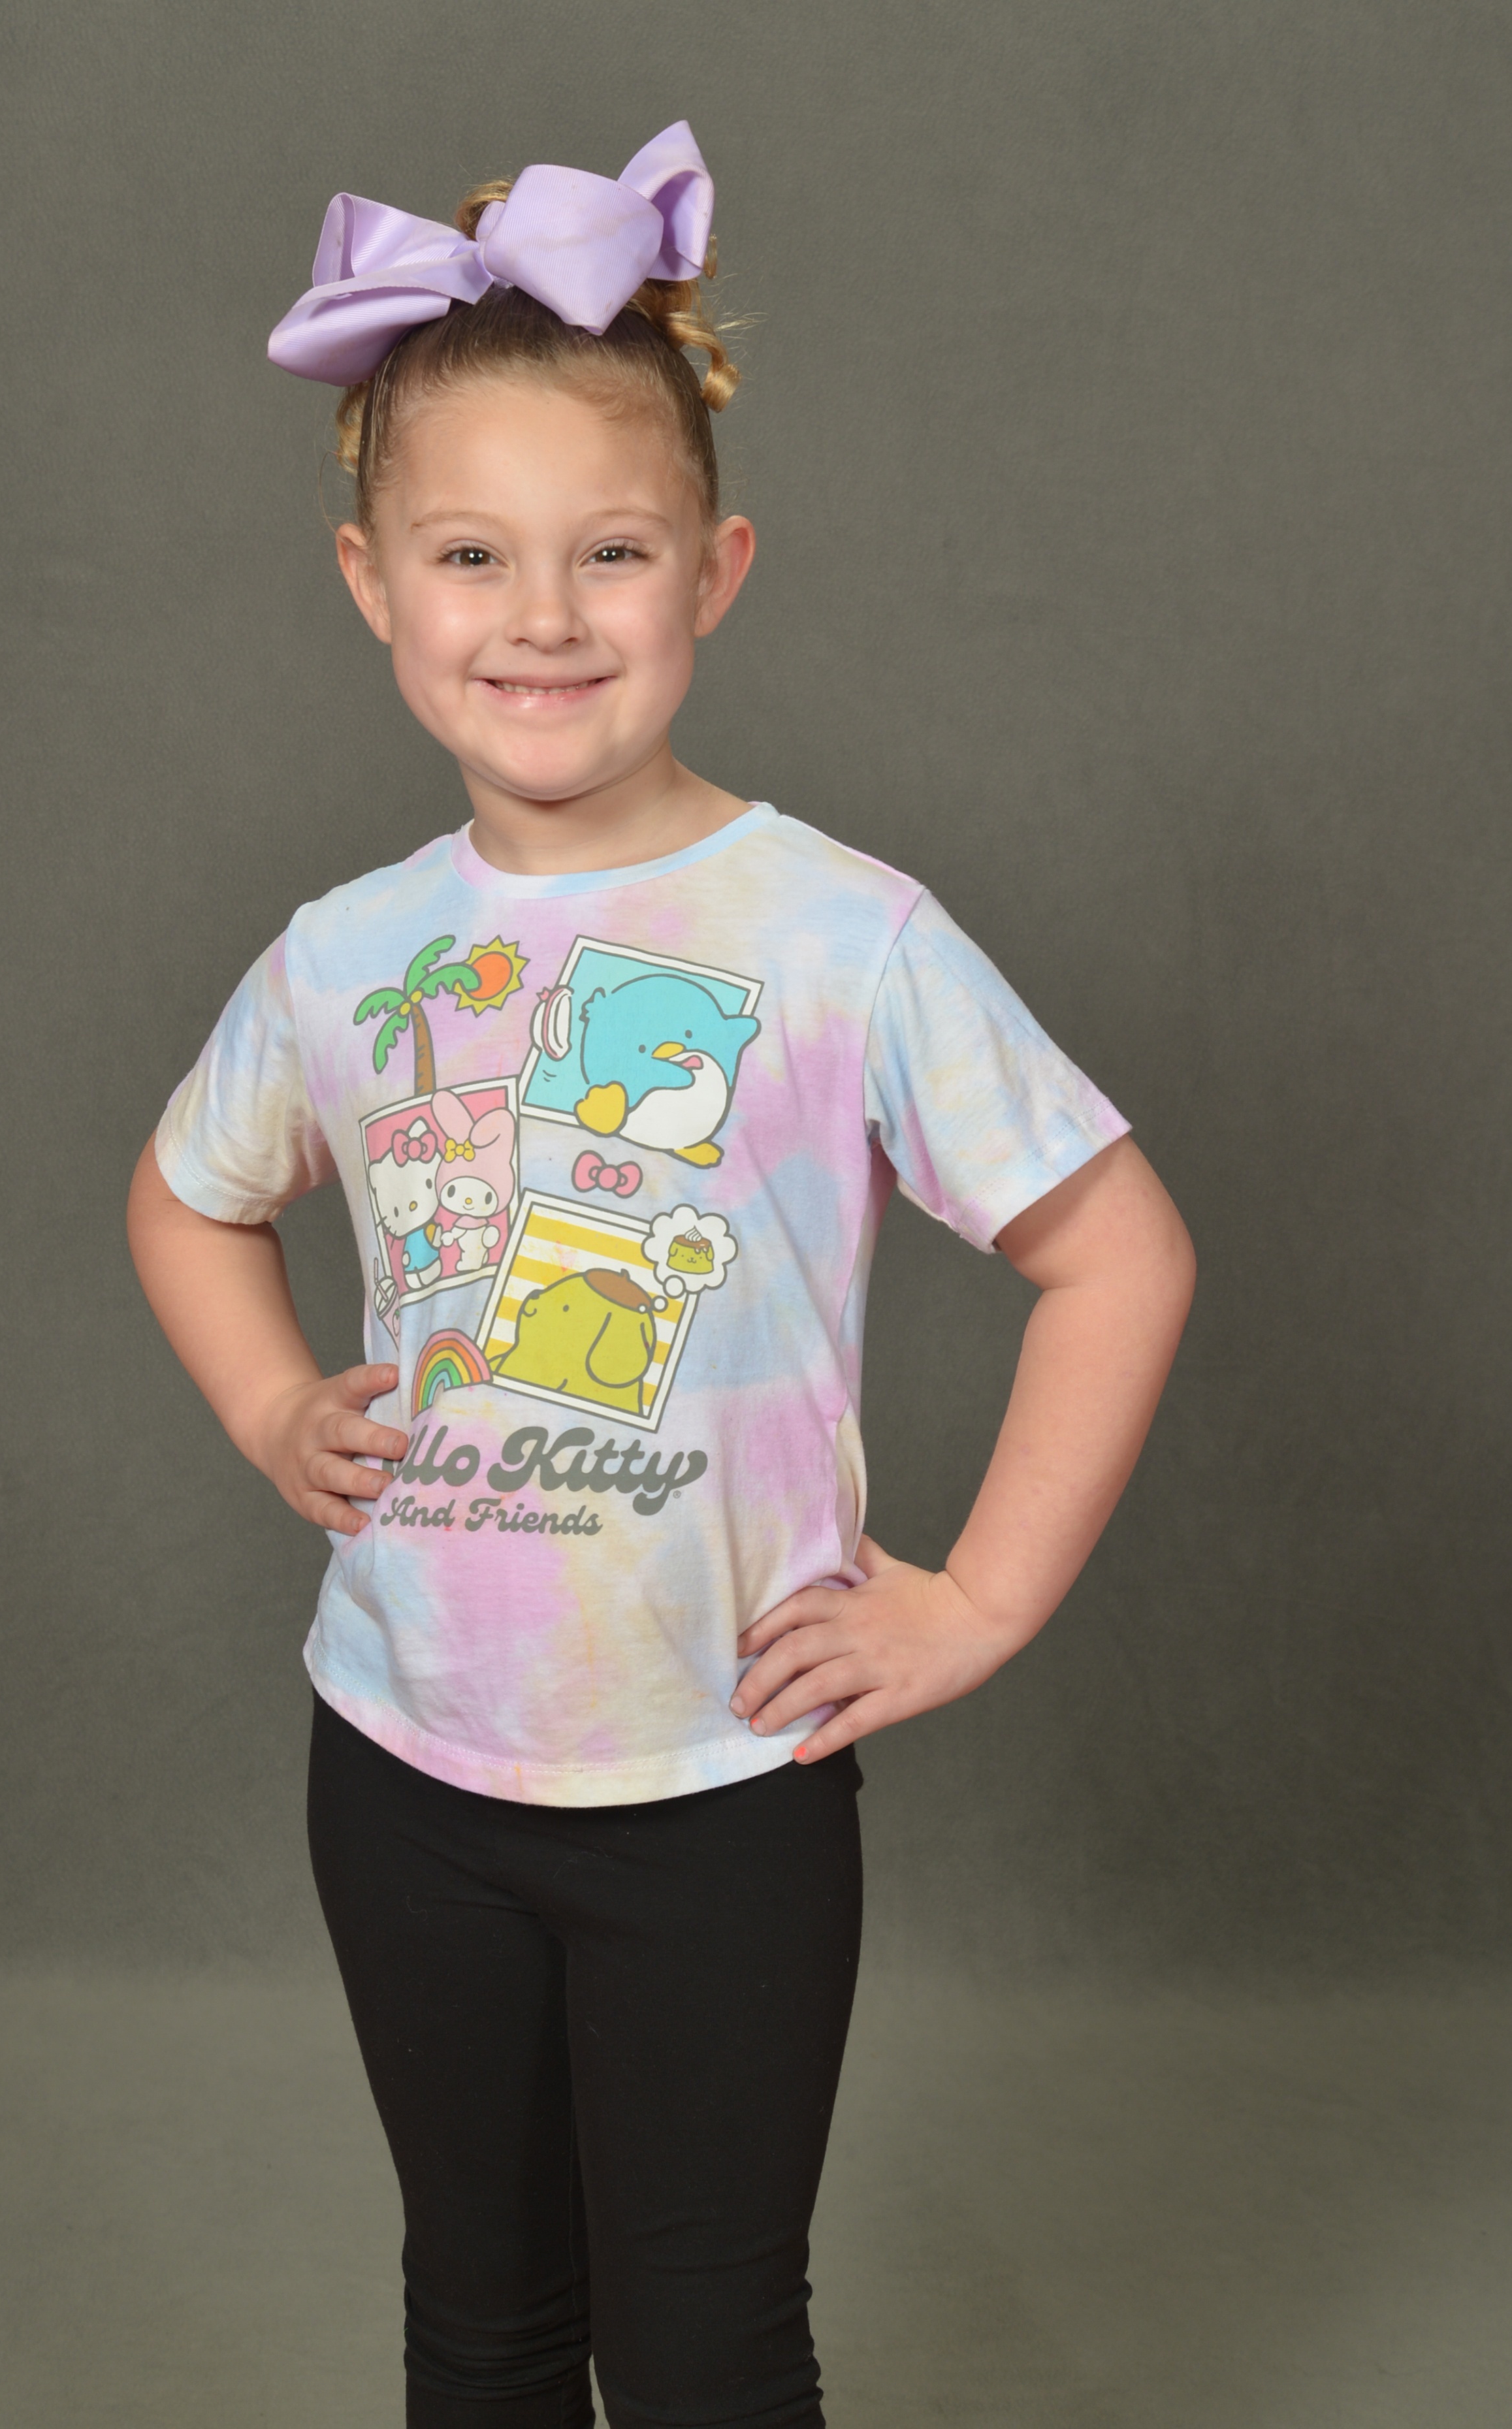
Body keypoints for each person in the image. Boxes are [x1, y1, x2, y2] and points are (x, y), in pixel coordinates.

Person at [126, 121, 1195, 2429]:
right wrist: (267, 1403)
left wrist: (983, 1601)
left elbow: (1117, 1251)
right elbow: (190, 1196)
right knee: (482, 2321)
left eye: (609, 551)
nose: (543, 615)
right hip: (402, 1764)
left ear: (714, 571)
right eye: (471, 554)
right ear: (370, 583)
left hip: (720, 1783)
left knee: (705, 2347)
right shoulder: (346, 954)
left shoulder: (840, 935)